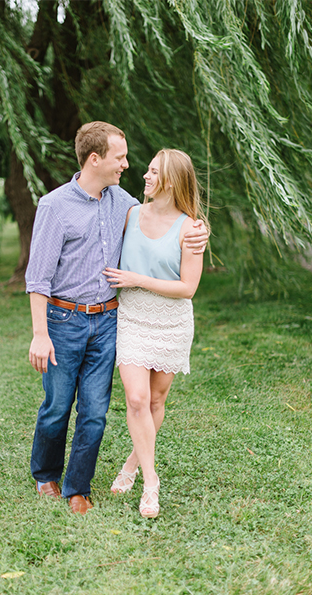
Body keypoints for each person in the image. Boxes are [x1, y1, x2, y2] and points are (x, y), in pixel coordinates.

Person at [26, 122, 208, 515]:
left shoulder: (121, 202)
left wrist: (199, 230)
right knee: (57, 405)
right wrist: (40, 333)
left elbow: (166, 215)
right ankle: (45, 474)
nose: (128, 164)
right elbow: (38, 277)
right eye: (120, 157)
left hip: (109, 320)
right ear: (96, 159)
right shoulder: (54, 206)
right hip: (63, 319)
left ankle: (78, 487)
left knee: (94, 410)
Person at [104, 149, 205, 518]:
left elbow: (188, 287)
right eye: (146, 170)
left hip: (172, 321)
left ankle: (131, 464)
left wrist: (135, 279)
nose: (144, 176)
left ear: (173, 181)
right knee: (135, 398)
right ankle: (151, 481)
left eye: (153, 172)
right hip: (132, 317)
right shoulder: (130, 213)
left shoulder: (191, 228)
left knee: (156, 402)